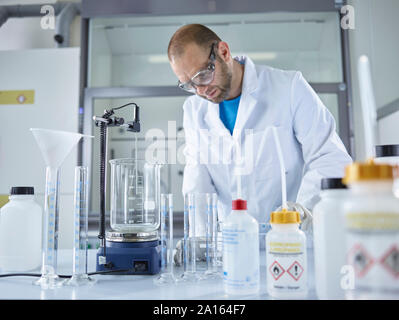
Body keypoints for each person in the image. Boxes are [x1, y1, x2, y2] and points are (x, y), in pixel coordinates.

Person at [167, 24, 352, 239]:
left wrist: (303, 207)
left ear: (224, 52)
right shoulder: (194, 110)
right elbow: (197, 181)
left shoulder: (289, 87)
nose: (200, 90)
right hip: (233, 245)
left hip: (292, 239)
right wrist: (199, 241)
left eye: (202, 75)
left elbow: (330, 157)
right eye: (189, 84)